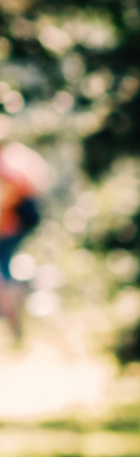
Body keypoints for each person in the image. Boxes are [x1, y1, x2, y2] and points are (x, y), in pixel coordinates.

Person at [0, 142, 48, 353]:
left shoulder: (7, 165)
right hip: (17, 223)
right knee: (5, 270)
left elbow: (10, 197)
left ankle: (12, 317)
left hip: (12, 225)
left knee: (3, 272)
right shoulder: (15, 156)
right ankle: (13, 320)